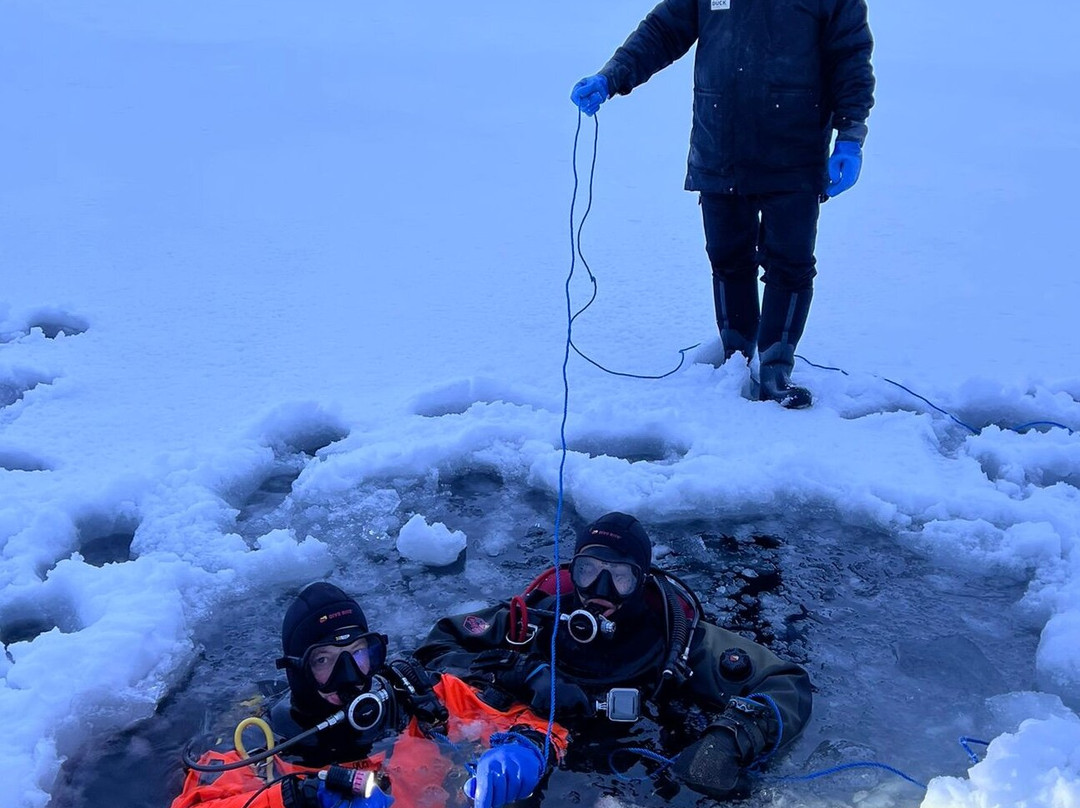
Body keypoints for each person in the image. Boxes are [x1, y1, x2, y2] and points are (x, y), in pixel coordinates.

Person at [570, 1, 875, 408]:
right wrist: (611, 77)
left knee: (791, 262)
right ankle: (736, 354)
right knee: (727, 256)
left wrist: (851, 135)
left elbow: (850, 56)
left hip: (794, 150)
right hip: (719, 145)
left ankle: (775, 366)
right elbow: (663, 31)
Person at [413, 512, 813, 800]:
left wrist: (725, 742)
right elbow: (437, 648)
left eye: (619, 575)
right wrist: (520, 670)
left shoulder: (679, 641)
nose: (600, 588)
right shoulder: (538, 620)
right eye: (588, 570)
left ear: (640, 580)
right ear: (574, 569)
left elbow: (785, 683)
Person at [171, 582, 567, 808]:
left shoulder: (421, 698)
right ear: (296, 670)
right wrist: (299, 799)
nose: (349, 678)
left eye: (358, 655)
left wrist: (527, 750)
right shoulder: (260, 742)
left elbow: (535, 722)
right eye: (324, 660)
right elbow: (200, 804)